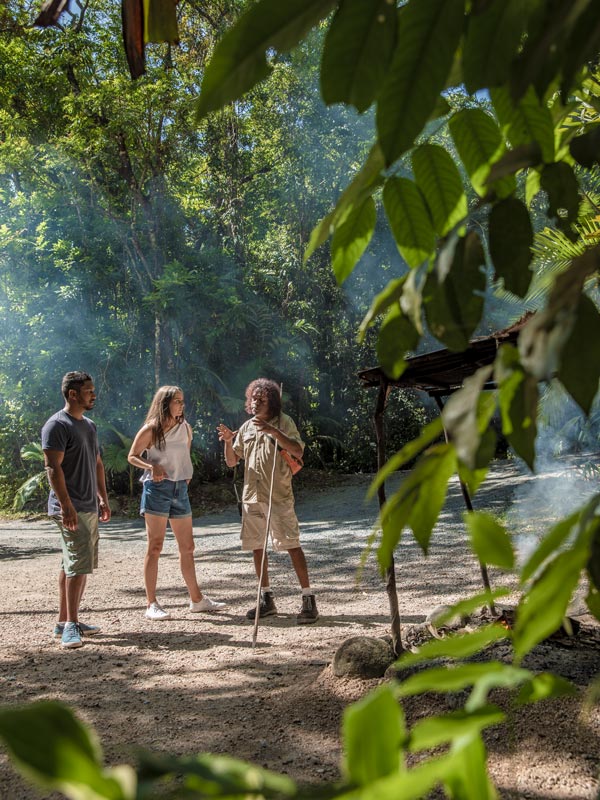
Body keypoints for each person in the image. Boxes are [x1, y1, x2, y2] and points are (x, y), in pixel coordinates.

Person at [217, 378, 318, 624]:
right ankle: (266, 599)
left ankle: (308, 599)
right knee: (257, 546)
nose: (255, 403)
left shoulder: (284, 422)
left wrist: (273, 432)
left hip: (278, 495)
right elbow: (232, 461)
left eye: (261, 399)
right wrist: (229, 441)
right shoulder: (246, 427)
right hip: (252, 497)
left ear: (271, 401)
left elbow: (298, 451)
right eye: (253, 398)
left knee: (291, 544)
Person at [128, 385, 226, 620]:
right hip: (157, 489)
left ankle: (197, 600)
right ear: (165, 404)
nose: (182, 405)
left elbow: (185, 455)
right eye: (177, 401)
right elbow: (132, 456)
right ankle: (151, 603)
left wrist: (185, 476)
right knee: (155, 546)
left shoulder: (186, 428)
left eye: (182, 401)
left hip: (180, 488)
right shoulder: (151, 429)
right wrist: (151, 466)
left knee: (188, 547)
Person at [42, 371, 111, 649]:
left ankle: (64, 621)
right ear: (72, 394)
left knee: (72, 563)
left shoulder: (89, 425)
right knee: (78, 565)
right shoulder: (57, 425)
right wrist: (66, 506)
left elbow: (97, 463)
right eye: (88, 390)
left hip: (88, 504)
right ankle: (71, 625)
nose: (93, 394)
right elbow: (52, 467)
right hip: (70, 507)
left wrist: (102, 498)